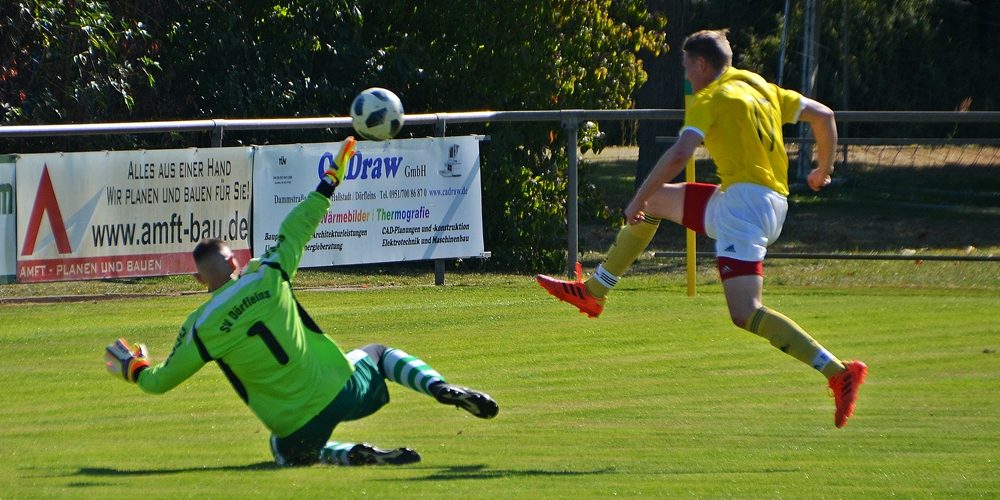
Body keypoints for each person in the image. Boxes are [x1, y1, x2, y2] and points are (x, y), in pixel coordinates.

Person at [536, 29, 867, 428]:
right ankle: (594, 292)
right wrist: (822, 169)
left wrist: (636, 197)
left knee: (745, 312)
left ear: (702, 65)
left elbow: (679, 152)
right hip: (762, 202)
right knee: (660, 202)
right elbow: (824, 116)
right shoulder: (757, 85)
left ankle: (837, 372)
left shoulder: (710, 97)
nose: (686, 77)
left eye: (687, 68)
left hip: (744, 209)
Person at [104, 137, 498, 466]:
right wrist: (331, 178)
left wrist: (134, 367)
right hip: (340, 390)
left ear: (198, 277)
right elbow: (301, 222)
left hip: (294, 426)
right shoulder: (270, 273)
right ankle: (439, 387)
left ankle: (356, 454)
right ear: (236, 260)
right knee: (377, 353)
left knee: (284, 452)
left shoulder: (200, 327)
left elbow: (160, 382)